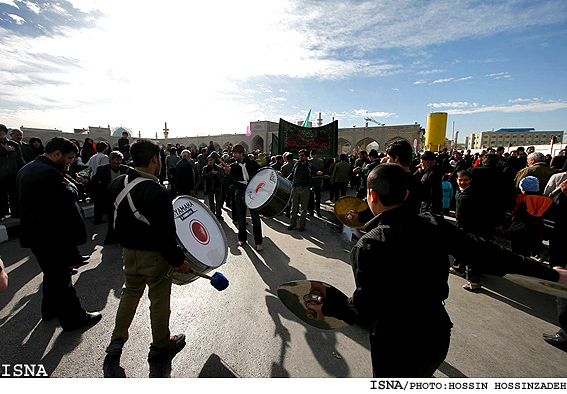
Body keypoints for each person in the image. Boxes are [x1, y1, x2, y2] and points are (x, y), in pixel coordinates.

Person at [307, 163, 567, 378]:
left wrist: (329, 307)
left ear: (371, 195)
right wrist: (551, 275)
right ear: (406, 195)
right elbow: (487, 252)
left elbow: (366, 308)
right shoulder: (432, 223)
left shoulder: (369, 245)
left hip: (395, 340)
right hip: (435, 332)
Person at [105, 139, 191, 360]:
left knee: (130, 294)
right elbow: (165, 234)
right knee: (159, 300)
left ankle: (117, 339)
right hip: (154, 257)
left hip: (128, 253)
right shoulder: (156, 191)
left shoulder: (117, 183)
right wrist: (178, 260)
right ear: (155, 159)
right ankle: (161, 344)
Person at [16, 136, 102, 331]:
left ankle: (49, 310)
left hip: (37, 233)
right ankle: (73, 318)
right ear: (56, 154)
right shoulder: (48, 172)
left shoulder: (29, 168)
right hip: (50, 235)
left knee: (52, 274)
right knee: (62, 278)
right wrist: (74, 185)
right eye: (69, 157)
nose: (71, 162)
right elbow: (68, 194)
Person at [223, 144, 263, 251]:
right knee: (241, 218)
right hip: (240, 191)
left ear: (241, 154)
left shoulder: (252, 164)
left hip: (253, 192)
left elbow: (261, 175)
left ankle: (258, 242)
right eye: (233, 153)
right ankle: (242, 239)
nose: (233, 155)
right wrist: (227, 174)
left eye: (235, 153)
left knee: (255, 218)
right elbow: (229, 183)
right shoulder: (233, 167)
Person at [88, 151, 130, 244]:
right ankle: (110, 238)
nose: (118, 162)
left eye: (120, 160)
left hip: (122, 197)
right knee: (111, 218)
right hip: (108, 198)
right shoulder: (102, 169)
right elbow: (94, 182)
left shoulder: (125, 169)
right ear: (110, 160)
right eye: (116, 160)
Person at [287, 149, 322, 231]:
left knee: (303, 209)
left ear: (306, 156)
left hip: (305, 189)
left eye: (302, 155)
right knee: (294, 208)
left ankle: (302, 225)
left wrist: (318, 172)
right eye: (299, 155)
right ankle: (292, 224)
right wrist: (287, 179)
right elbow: (292, 174)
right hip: (296, 188)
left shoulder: (309, 165)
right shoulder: (296, 165)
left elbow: (315, 172)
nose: (300, 157)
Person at [0, 124, 24, 219]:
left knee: (15, 196)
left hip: (13, 175)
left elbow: (19, 160)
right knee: (1, 197)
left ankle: (16, 214)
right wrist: (3, 150)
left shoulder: (14, 145)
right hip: (0, 176)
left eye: (2, 132)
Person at [201, 153, 225, 220]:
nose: (210, 161)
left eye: (211, 160)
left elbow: (223, 176)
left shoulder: (218, 168)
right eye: (209, 160)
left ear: (214, 160)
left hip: (217, 186)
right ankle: (212, 214)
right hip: (209, 187)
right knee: (211, 202)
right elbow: (203, 176)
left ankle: (218, 214)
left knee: (219, 202)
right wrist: (211, 173)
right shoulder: (205, 168)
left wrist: (220, 183)